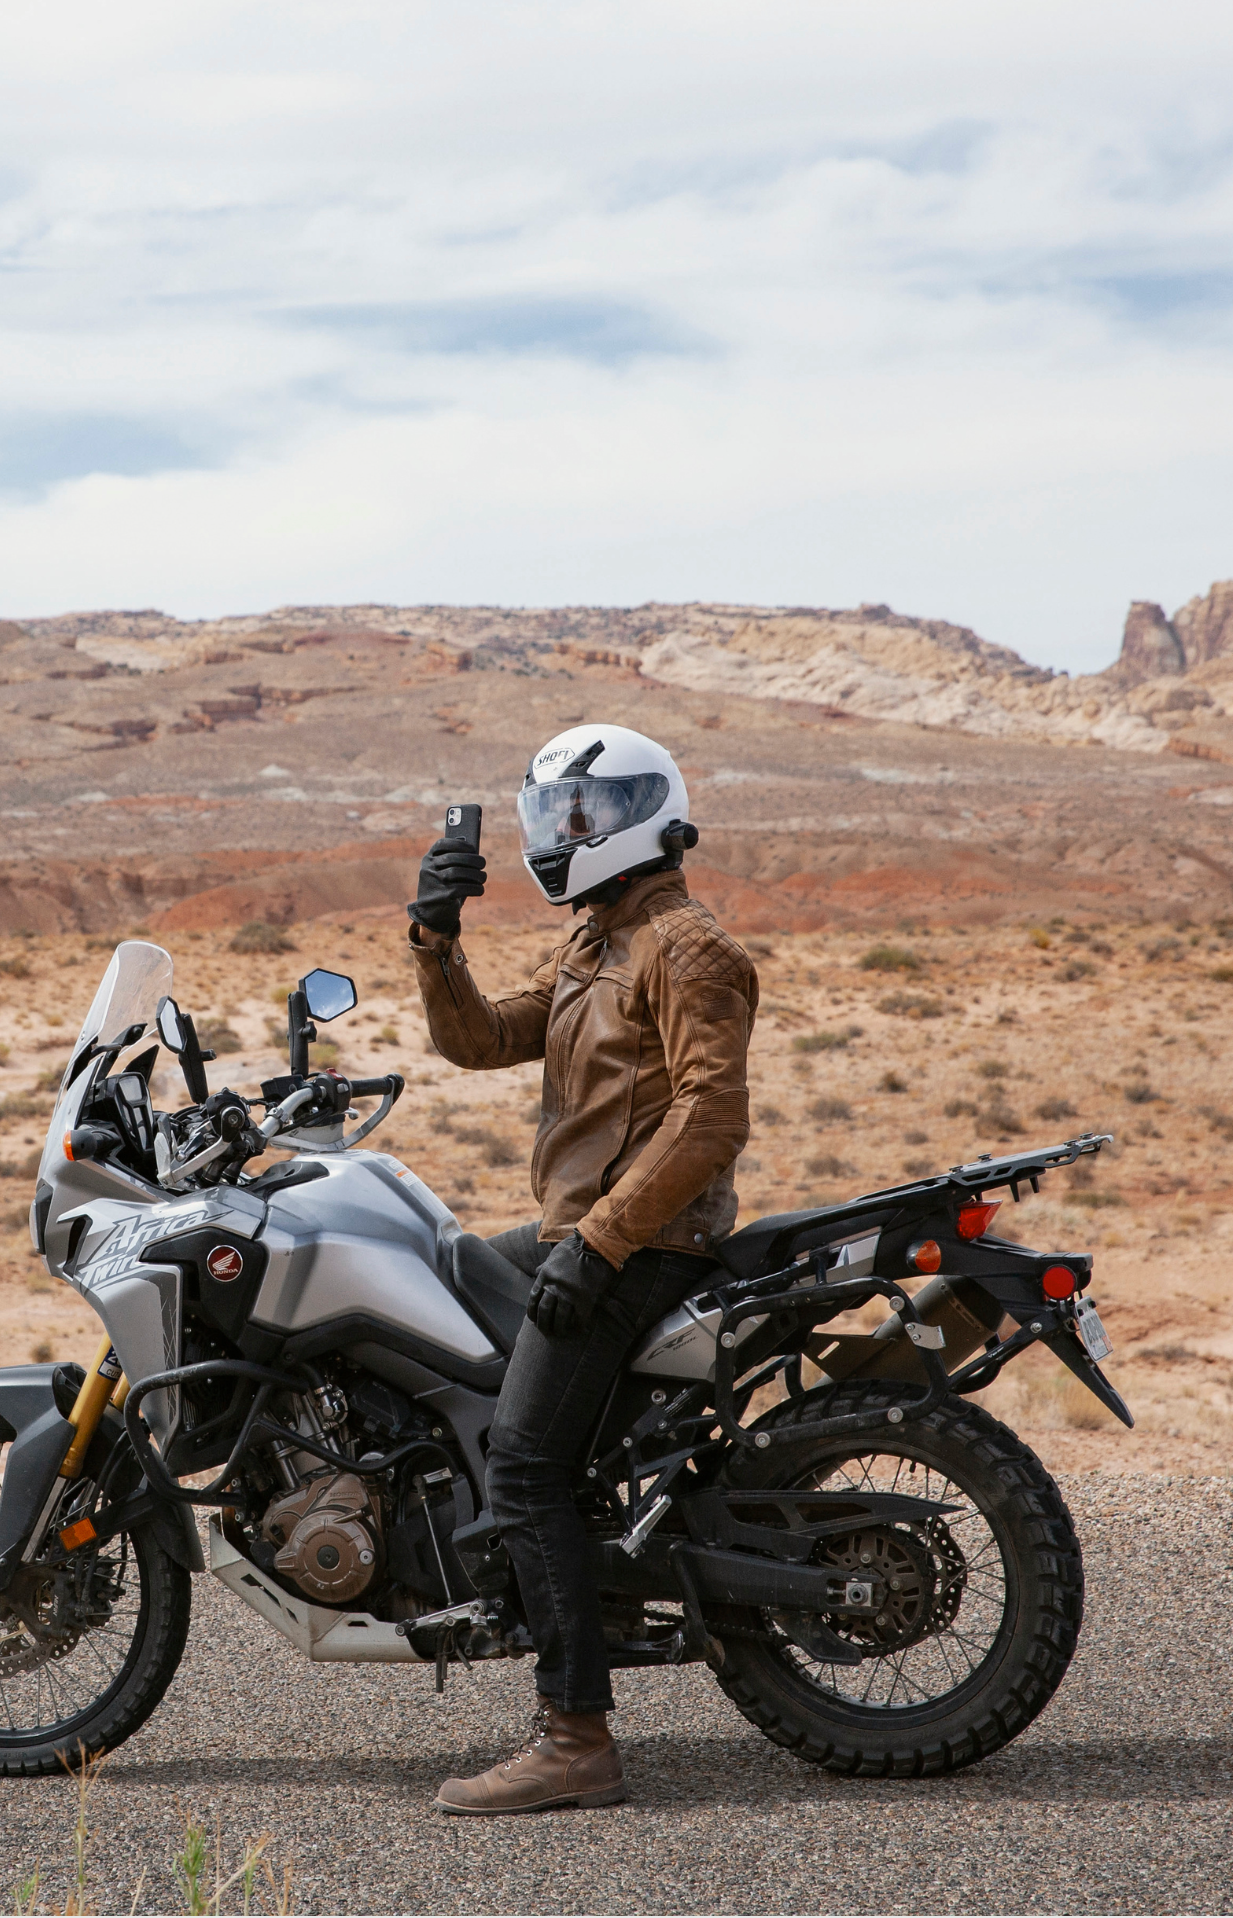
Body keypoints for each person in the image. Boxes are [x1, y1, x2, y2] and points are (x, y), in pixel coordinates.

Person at [403, 722, 757, 1816]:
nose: (567, 836)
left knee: (523, 1469)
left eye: (587, 815)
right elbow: (478, 1039)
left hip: (641, 1241)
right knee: (440, 1265)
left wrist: (598, 1246)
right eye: (559, 817)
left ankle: (573, 1738)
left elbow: (708, 1118)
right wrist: (432, 934)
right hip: (580, 1228)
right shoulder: (597, 937)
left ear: (641, 815)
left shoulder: (684, 946)